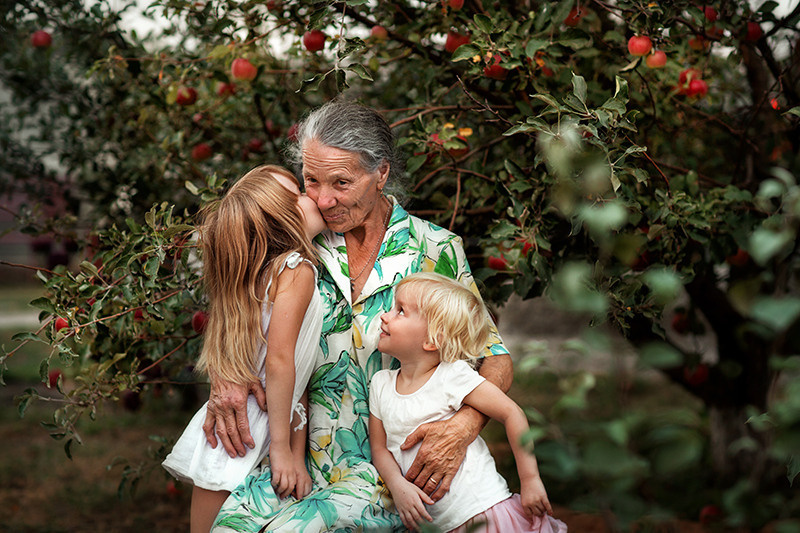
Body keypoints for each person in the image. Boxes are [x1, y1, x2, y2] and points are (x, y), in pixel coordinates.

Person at [207, 100, 514, 532]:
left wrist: (464, 426)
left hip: (390, 471)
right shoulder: (299, 239)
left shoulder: (435, 249)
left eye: (342, 182)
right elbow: (236, 300)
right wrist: (226, 372)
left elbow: (494, 357)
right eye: (311, 180)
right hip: (299, 458)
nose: (324, 198)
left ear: (381, 174)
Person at [161, 164, 326, 533]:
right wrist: (283, 449)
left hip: (238, 434)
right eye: (298, 193)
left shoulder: (260, 276)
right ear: (282, 220)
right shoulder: (296, 269)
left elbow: (295, 376)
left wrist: (294, 454)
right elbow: (282, 363)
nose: (312, 195)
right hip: (253, 435)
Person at [369, 273, 567, 533]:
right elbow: (380, 448)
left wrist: (530, 480)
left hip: (482, 511)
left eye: (400, 311)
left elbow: (512, 413)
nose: (385, 316)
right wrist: (397, 485)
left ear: (432, 340)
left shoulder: (452, 376)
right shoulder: (381, 384)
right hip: (437, 524)